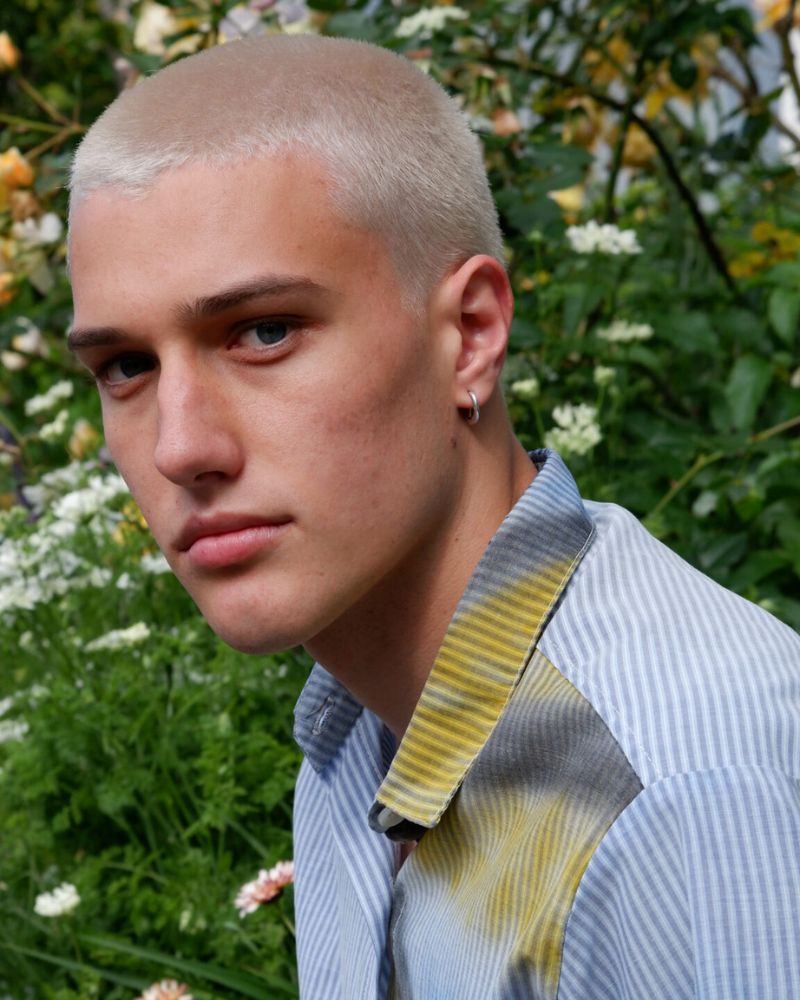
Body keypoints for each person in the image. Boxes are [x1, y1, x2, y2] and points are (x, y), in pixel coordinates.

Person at [66, 33, 799, 1000]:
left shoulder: (679, 798)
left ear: (470, 338)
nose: (178, 448)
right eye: (126, 366)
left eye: (264, 331)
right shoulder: (357, 732)